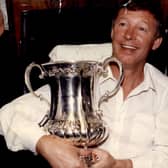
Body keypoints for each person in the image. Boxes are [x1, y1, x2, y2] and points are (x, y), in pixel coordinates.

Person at [0, 0, 167, 167]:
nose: (129, 35)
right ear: (112, 31)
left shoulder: (164, 91)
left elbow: (165, 155)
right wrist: (44, 143)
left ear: (156, 42)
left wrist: (120, 165)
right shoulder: (82, 77)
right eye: (123, 24)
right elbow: (7, 116)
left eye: (142, 28)